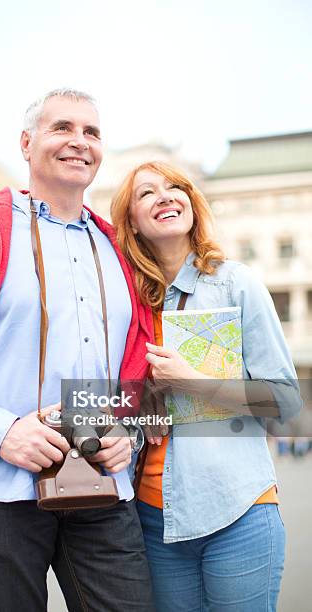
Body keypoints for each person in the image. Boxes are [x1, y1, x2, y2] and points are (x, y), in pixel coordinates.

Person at [0, 89, 155, 612]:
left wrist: (125, 431)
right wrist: (3, 433)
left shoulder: (117, 249)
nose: (79, 142)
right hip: (1, 488)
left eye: (92, 132)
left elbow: (132, 367)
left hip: (102, 481)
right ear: (26, 142)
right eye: (62, 128)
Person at [111, 161, 301, 612]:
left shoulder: (235, 284)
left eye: (176, 187)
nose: (165, 196)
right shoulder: (124, 302)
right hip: (153, 520)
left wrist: (192, 381)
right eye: (147, 193)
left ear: (192, 204)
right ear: (132, 223)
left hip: (237, 511)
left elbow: (286, 400)